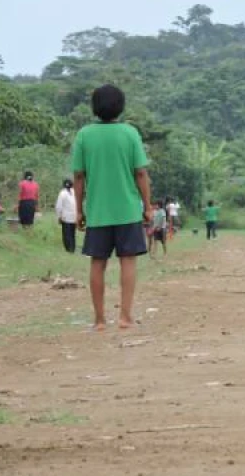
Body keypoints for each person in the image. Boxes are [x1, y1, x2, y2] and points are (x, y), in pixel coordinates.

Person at [71, 83, 152, 332]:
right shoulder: (129, 133)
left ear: (95, 108)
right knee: (128, 262)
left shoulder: (84, 135)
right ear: (121, 107)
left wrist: (79, 210)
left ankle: (99, 320)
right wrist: (147, 206)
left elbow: (79, 177)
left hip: (97, 212)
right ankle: (125, 317)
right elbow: (140, 173)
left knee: (98, 263)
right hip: (127, 210)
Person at [56, 179, 77, 253]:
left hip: (66, 218)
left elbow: (59, 206)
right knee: (72, 234)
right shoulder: (74, 192)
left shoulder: (62, 193)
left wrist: (59, 216)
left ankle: (69, 249)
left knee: (66, 234)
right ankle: (72, 248)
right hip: (73, 217)